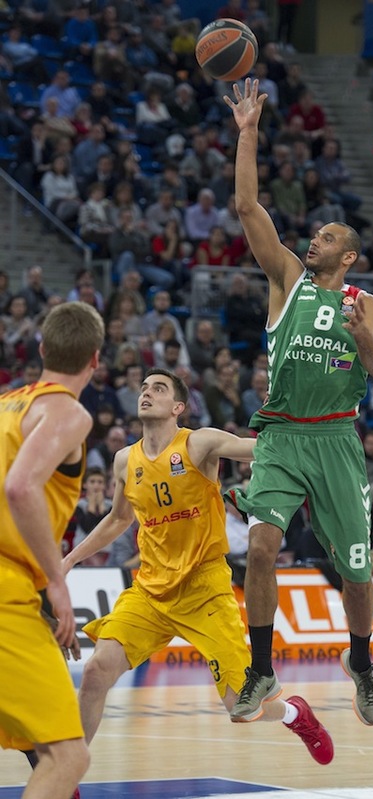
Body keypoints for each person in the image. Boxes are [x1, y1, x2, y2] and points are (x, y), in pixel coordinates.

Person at [63, 368, 333, 766]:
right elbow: (119, 520)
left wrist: (301, 428)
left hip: (204, 588)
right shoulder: (124, 460)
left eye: (158, 388)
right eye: (143, 387)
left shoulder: (198, 443)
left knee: (242, 708)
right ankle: (67, 775)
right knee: (97, 671)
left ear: (178, 407)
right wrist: (69, 559)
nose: (146, 393)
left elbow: (256, 449)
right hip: (150, 590)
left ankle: (296, 714)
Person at [222, 79, 373, 725]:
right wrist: (248, 131)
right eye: (312, 234)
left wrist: (363, 333)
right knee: (262, 547)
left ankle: (363, 663)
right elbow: (245, 206)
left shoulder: (363, 301)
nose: (312, 240)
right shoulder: (288, 278)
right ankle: (262, 669)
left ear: (348, 255)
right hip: (284, 436)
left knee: (357, 573)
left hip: (338, 440)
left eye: (325, 237)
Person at [0, 301, 105, 799]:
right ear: (96, 360)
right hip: (7, 588)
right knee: (69, 755)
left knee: (41, 747)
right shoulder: (68, 412)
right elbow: (20, 488)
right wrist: (57, 582)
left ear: (41, 348)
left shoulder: (6, 405)